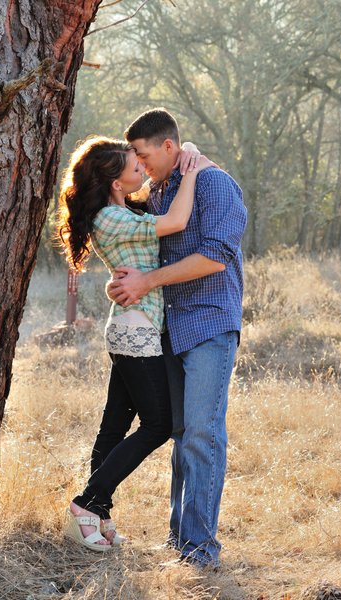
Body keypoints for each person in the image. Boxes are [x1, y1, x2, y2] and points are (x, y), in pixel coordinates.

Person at [57, 135, 213, 552]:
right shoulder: (111, 218)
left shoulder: (124, 209)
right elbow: (178, 221)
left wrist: (187, 147)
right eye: (135, 167)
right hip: (137, 330)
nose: (143, 169)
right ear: (114, 182)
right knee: (159, 424)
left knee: (114, 426)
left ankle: (97, 515)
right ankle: (86, 504)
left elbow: (158, 200)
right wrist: (193, 172)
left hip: (135, 326)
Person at [107, 108, 247, 569]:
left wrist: (148, 281)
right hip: (172, 324)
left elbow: (216, 257)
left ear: (169, 146)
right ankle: (179, 541)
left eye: (145, 157)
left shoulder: (215, 185)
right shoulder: (164, 187)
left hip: (209, 322)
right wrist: (126, 279)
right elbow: (141, 236)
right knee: (182, 433)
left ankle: (201, 550)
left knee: (203, 434)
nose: (141, 168)